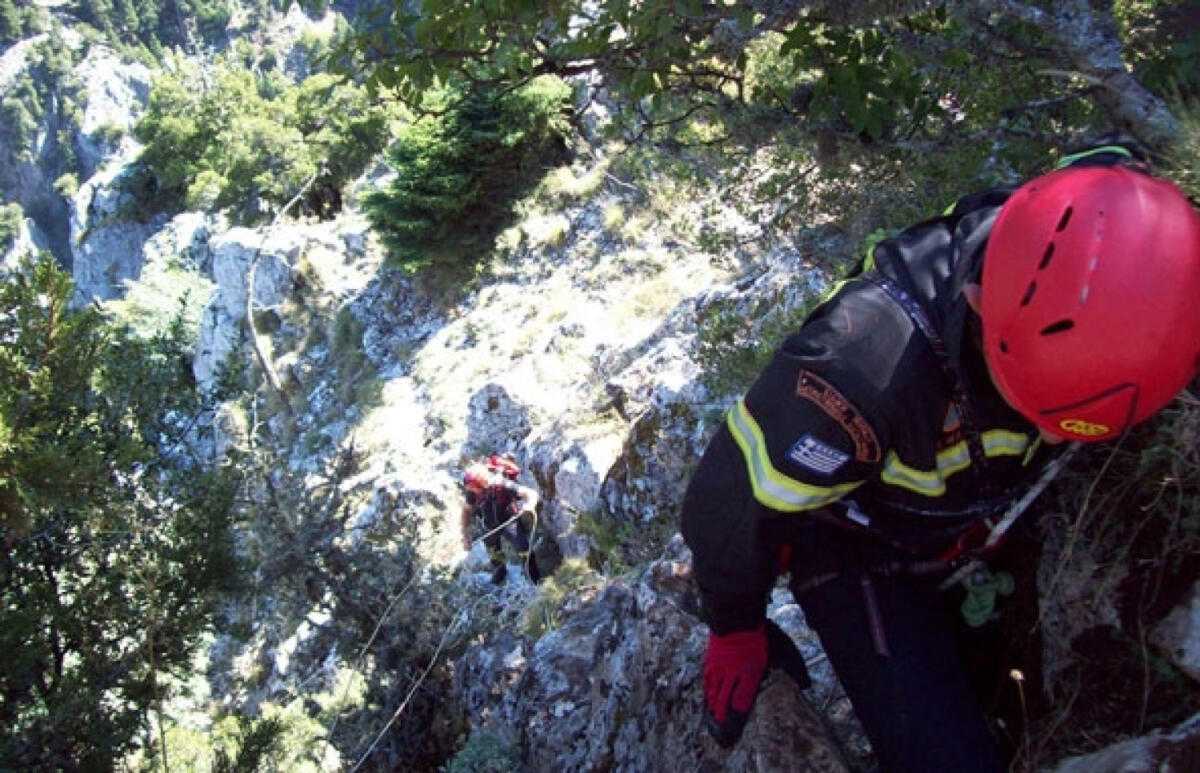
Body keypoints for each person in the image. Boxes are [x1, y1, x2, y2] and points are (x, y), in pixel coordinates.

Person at [681, 140, 1200, 771]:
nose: (1061, 439)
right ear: (980, 304)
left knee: (1011, 708)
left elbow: (1112, 187)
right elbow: (732, 498)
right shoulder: (858, 370)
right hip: (858, 544)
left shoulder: (1111, 226)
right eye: (1040, 411)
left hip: (981, 512)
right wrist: (736, 623)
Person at [460, 456, 542, 584]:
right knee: (494, 554)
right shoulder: (473, 492)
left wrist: (529, 505)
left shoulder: (501, 484)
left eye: (472, 488)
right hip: (489, 524)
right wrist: (465, 534)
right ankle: (500, 571)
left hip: (509, 520)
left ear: (480, 483)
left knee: (524, 548)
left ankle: (535, 580)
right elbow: (466, 511)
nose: (471, 491)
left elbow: (530, 493)